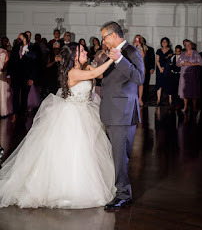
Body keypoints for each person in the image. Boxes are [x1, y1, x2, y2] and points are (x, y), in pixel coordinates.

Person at [0, 42, 116, 209]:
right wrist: (112, 58)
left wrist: (105, 64)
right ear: (74, 56)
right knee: (73, 150)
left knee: (87, 150)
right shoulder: (74, 72)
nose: (85, 52)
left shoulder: (87, 67)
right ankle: (64, 189)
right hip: (72, 116)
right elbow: (98, 72)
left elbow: (99, 75)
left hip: (85, 113)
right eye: (82, 50)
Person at [100, 21, 144, 210]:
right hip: (111, 111)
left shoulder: (132, 52)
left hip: (123, 113)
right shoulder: (109, 53)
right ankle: (117, 189)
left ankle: (123, 194)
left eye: (104, 37)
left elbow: (139, 78)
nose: (103, 41)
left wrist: (119, 60)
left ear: (113, 36)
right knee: (113, 155)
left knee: (120, 157)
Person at [7, 33, 37, 123]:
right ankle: (15, 114)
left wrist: (32, 78)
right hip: (15, 77)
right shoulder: (15, 49)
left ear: (25, 39)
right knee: (15, 96)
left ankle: (22, 114)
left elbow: (34, 65)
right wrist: (8, 75)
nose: (17, 40)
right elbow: (10, 63)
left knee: (24, 96)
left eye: (19, 38)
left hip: (26, 77)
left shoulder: (32, 49)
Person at [177, 40, 202, 112]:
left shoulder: (196, 53)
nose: (188, 46)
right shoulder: (183, 54)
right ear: (184, 46)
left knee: (193, 90)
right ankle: (185, 107)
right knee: (185, 91)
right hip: (184, 75)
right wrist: (183, 63)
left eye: (189, 44)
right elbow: (178, 64)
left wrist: (191, 64)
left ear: (191, 45)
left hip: (193, 74)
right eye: (186, 45)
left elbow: (200, 63)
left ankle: (194, 107)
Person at [156, 37, 173, 105]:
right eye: (163, 42)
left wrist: (165, 69)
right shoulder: (159, 51)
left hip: (168, 70)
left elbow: (170, 61)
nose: (164, 43)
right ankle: (158, 99)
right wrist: (160, 68)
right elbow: (157, 61)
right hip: (160, 69)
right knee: (159, 84)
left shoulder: (170, 51)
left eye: (165, 42)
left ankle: (170, 100)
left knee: (169, 84)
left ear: (168, 43)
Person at [133, 35, 147, 106]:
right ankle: (134, 99)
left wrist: (140, 46)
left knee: (141, 83)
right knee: (133, 83)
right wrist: (134, 46)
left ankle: (140, 99)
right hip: (133, 66)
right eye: (136, 38)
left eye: (139, 38)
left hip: (141, 66)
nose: (137, 40)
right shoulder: (132, 46)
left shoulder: (144, 47)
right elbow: (130, 55)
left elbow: (143, 55)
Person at [0, 48, 13, 117]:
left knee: (2, 91)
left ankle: (2, 110)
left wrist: (3, 69)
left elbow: (7, 61)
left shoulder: (4, 51)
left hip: (2, 72)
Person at [169, 45, 182, 109]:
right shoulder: (173, 57)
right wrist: (172, 72)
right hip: (174, 75)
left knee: (179, 90)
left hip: (180, 75)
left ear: (181, 51)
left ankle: (179, 103)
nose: (177, 52)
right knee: (173, 89)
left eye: (178, 51)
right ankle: (173, 103)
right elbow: (171, 65)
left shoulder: (182, 57)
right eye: (176, 51)